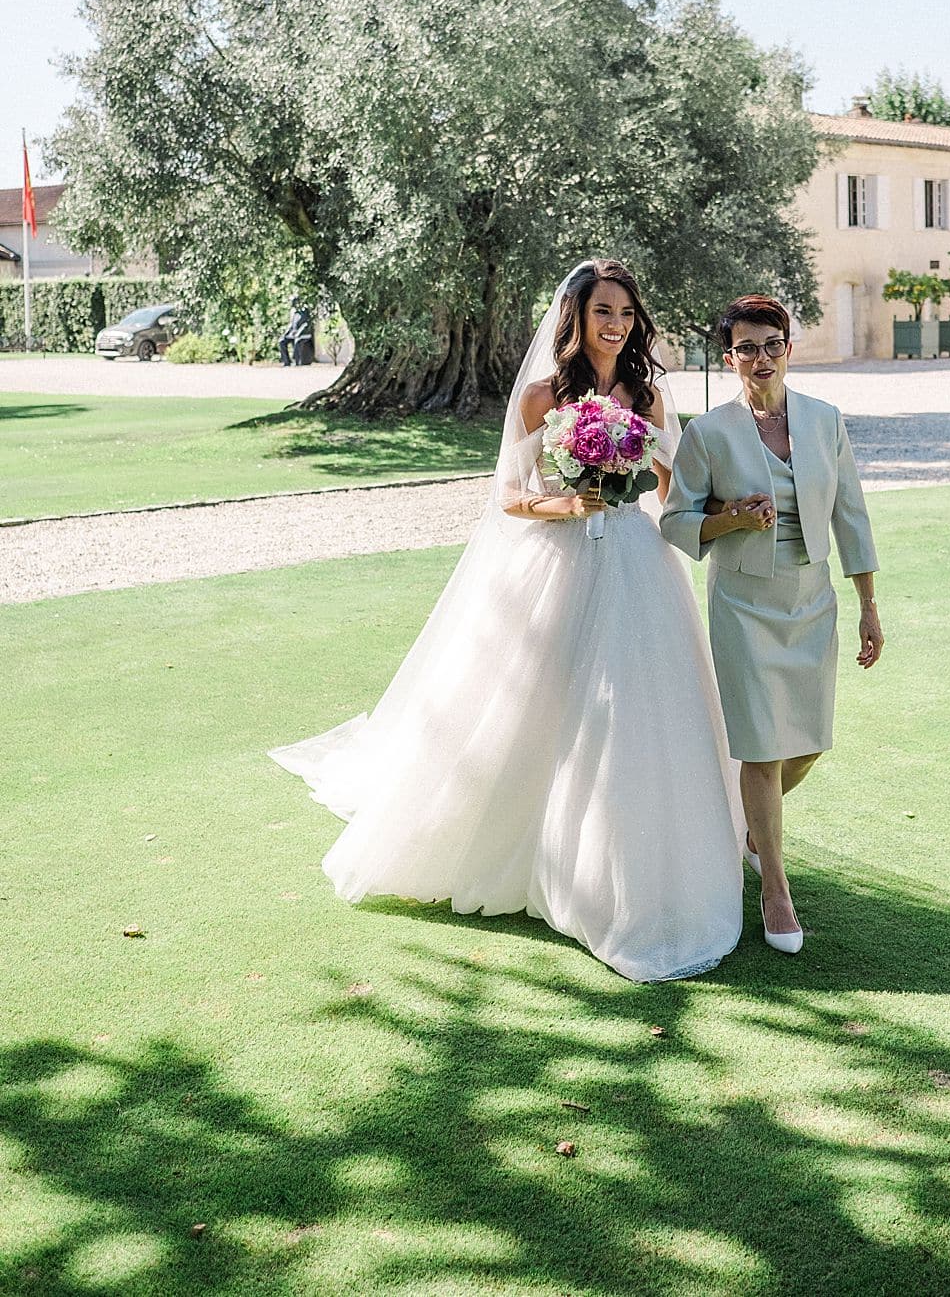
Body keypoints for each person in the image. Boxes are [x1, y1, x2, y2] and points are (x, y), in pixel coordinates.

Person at [269, 260, 745, 983]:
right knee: (541, 707)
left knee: (636, 711)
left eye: (624, 313)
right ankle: (524, 846)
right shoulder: (540, 396)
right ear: (576, 319)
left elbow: (673, 488)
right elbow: (512, 498)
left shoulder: (648, 394)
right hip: (557, 560)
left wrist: (705, 507)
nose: (615, 325)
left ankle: (634, 861)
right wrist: (572, 502)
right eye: (602, 313)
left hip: (639, 564)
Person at [660, 294, 882, 955]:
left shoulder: (824, 420)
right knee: (760, 747)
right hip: (743, 603)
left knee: (807, 743)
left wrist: (869, 604)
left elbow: (853, 517)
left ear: (790, 348)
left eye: (772, 344)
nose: (761, 358)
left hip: (812, 601)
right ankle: (775, 891)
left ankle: (755, 831)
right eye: (747, 348)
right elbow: (675, 520)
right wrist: (729, 517)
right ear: (729, 358)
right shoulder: (708, 434)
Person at [278, 297, 314, 366]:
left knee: (297, 342)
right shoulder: (293, 312)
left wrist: (298, 333)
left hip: (303, 334)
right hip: (293, 334)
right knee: (282, 341)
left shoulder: (305, 311)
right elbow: (291, 324)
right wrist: (286, 333)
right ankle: (287, 362)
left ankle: (298, 362)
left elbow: (305, 324)